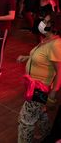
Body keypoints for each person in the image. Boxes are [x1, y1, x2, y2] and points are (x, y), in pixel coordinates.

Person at [17, 12, 61, 143]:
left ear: (55, 27)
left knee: (24, 121)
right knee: (41, 115)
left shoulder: (56, 44)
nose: (42, 24)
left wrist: (52, 97)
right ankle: (49, 137)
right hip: (33, 86)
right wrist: (28, 57)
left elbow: (59, 72)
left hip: (40, 89)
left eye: (47, 22)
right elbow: (43, 57)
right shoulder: (47, 40)